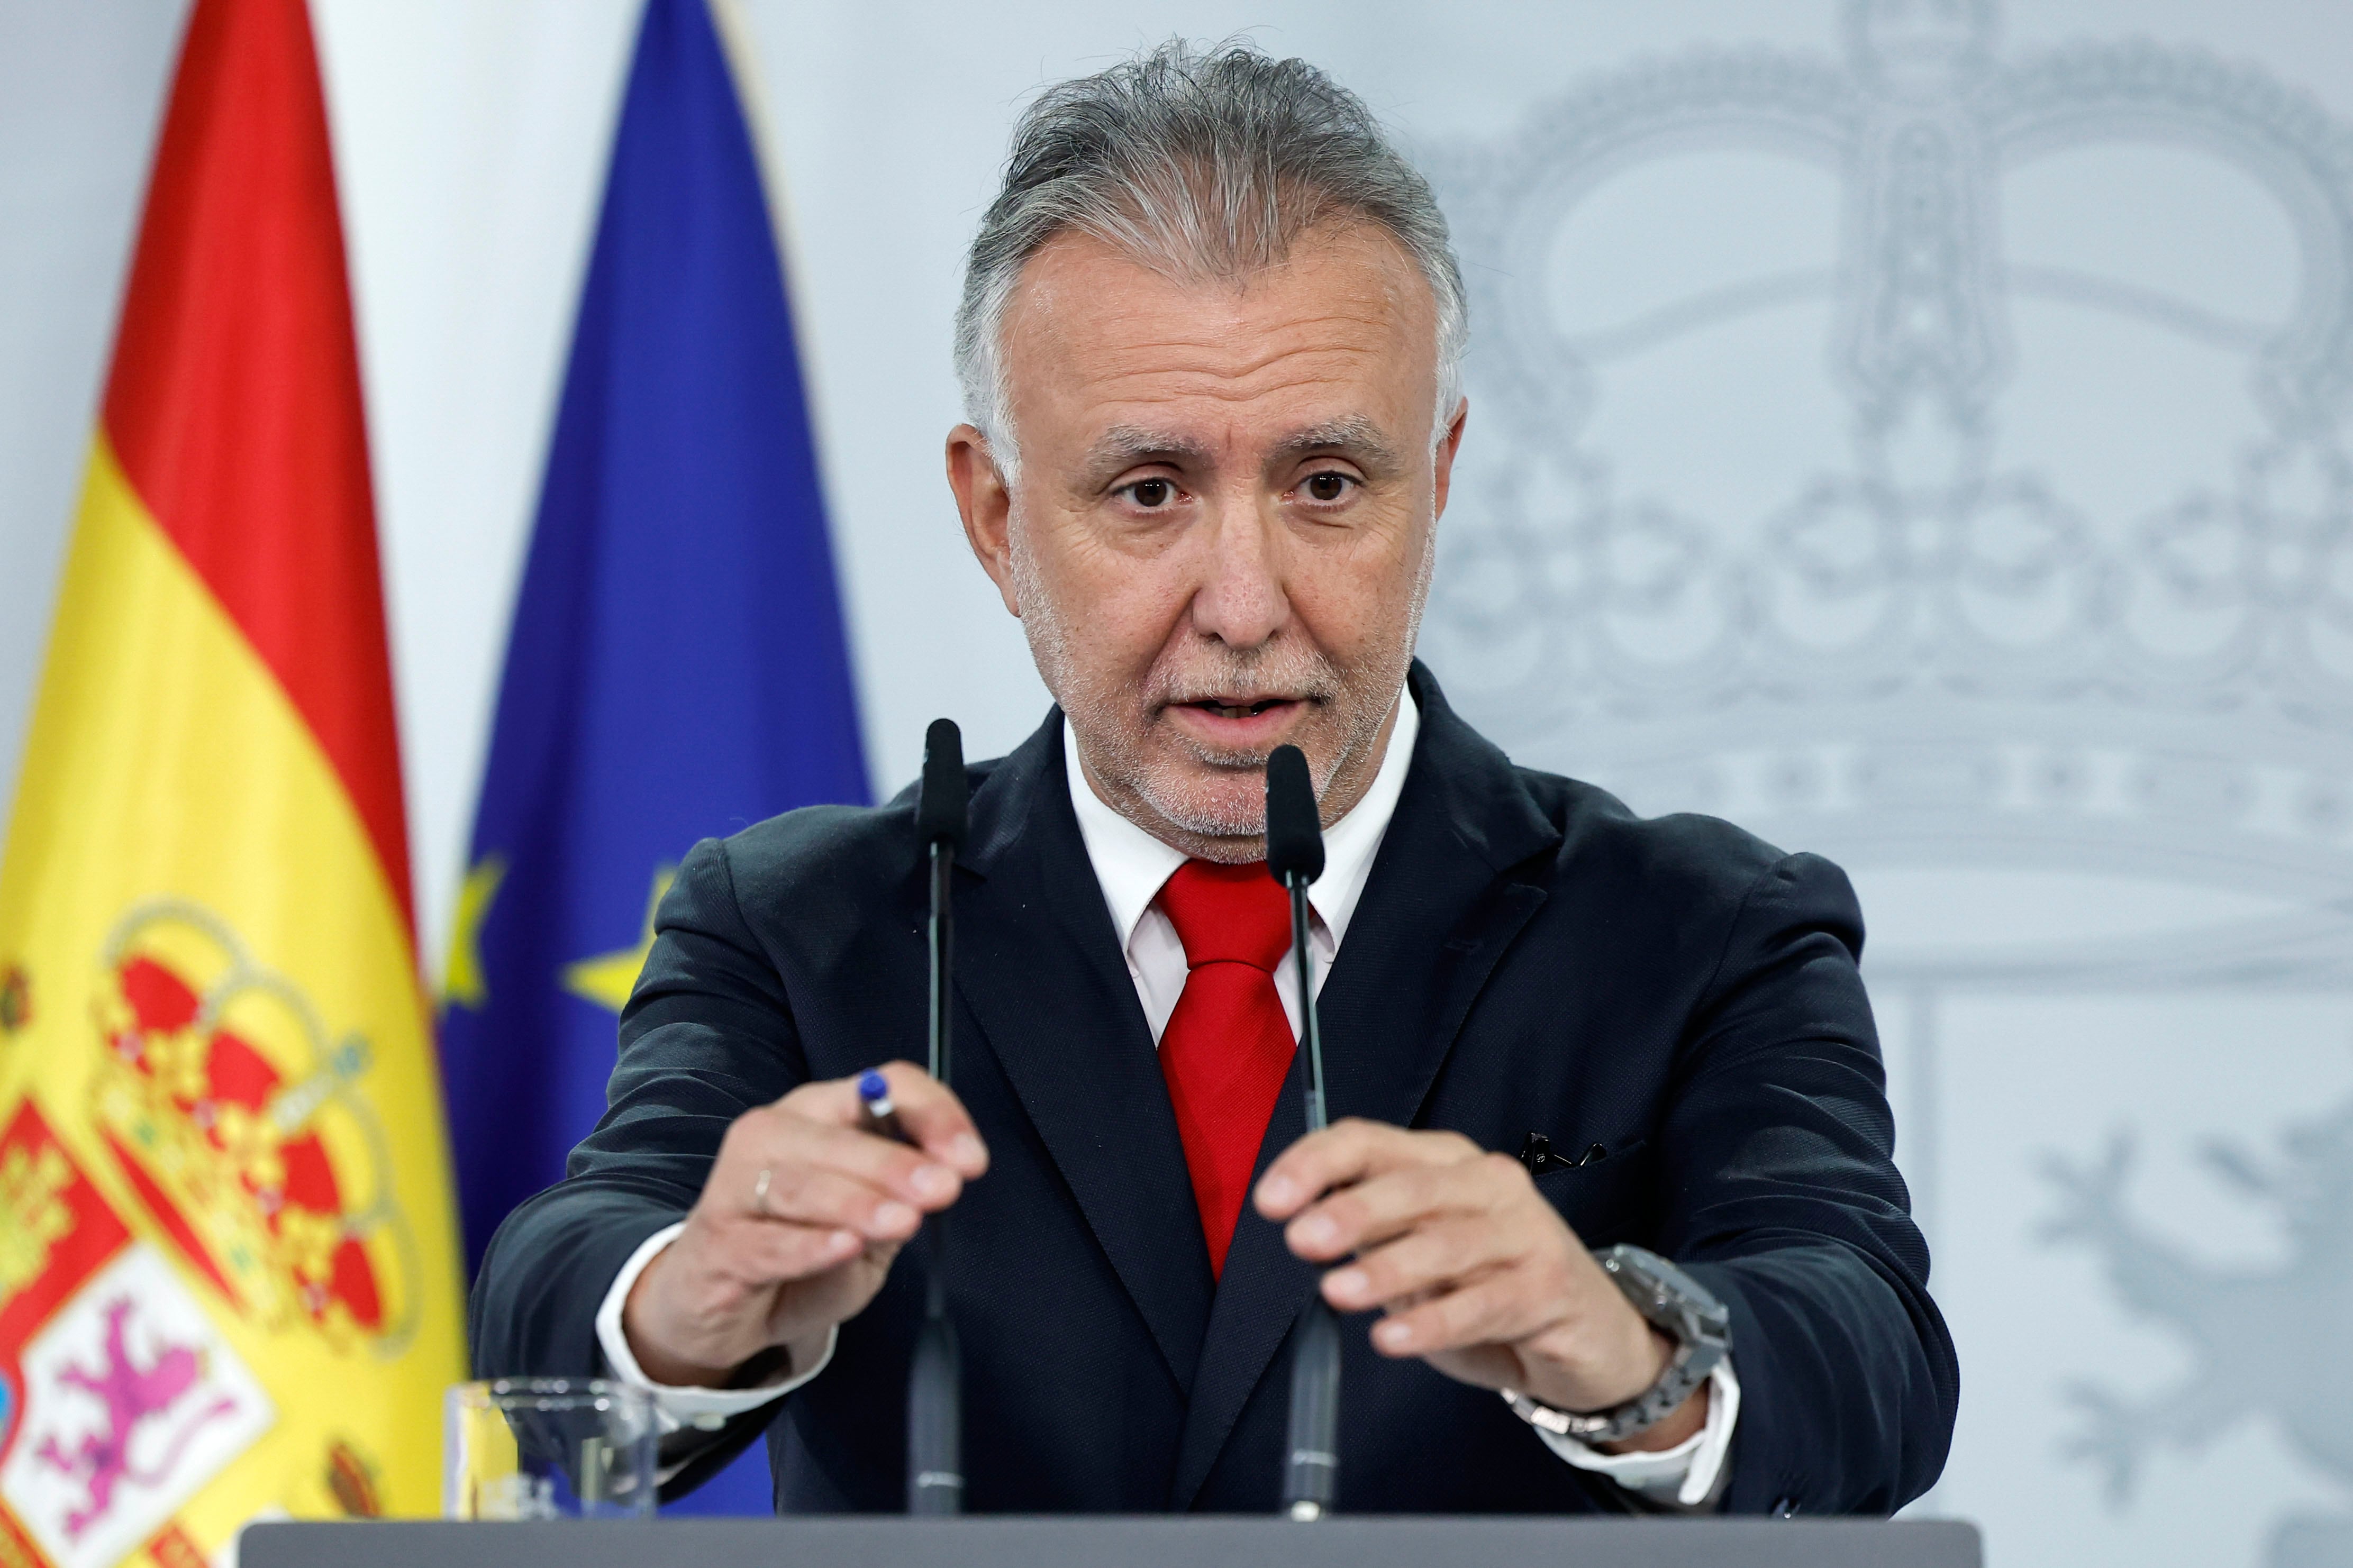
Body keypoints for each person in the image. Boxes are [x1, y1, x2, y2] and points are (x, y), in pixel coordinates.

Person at [470, 39, 1957, 1516]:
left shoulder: (1699, 930)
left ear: (1434, 484)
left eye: (1325, 485)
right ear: (994, 516)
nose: (1244, 604)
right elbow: (562, 1284)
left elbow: (1871, 1356)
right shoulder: (803, 923)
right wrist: (696, 1289)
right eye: (1149, 491)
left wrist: (1619, 1341)